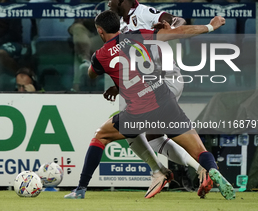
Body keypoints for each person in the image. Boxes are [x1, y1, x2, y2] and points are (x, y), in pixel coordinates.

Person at [64, 10, 235, 200]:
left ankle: (80, 189)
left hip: (138, 113)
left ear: (100, 31)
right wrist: (211, 26)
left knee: (100, 136)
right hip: (167, 105)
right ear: (119, 26)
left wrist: (111, 76)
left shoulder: (100, 56)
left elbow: (91, 73)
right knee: (200, 151)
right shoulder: (138, 36)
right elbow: (180, 32)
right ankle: (211, 169)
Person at [107, 0, 213, 198]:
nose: (108, 2)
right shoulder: (121, 25)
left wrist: (169, 27)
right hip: (148, 86)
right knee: (155, 137)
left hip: (164, 80)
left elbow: (178, 20)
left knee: (128, 128)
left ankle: (163, 172)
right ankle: (202, 171)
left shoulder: (144, 13)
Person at [69, 0, 112, 92]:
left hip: (105, 37)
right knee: (77, 28)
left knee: (80, 50)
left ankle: (76, 86)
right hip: (88, 34)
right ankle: (86, 60)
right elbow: (79, 19)